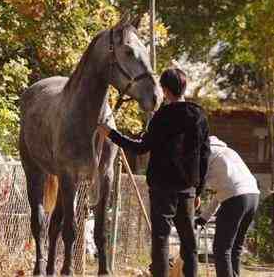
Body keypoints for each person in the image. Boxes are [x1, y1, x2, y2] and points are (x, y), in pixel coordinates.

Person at [97, 68, 210, 277]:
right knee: (189, 243)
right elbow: (205, 155)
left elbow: (141, 148)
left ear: (165, 91)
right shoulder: (199, 115)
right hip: (187, 188)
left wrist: (111, 134)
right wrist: (199, 190)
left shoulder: (161, 116)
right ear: (184, 87)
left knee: (161, 240)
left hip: (162, 187)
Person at [195, 136, 260, 277]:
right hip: (253, 196)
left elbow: (198, 181)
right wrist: (204, 217)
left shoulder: (205, 153)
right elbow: (224, 190)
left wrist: (195, 196)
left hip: (236, 199)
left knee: (221, 249)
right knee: (235, 247)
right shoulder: (228, 151)